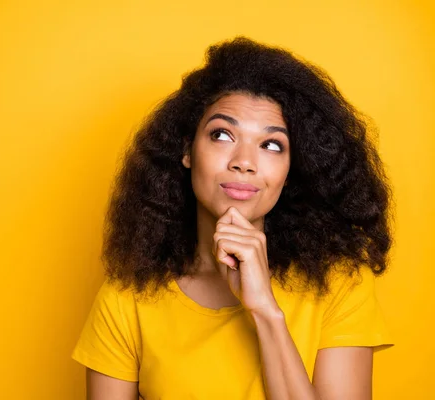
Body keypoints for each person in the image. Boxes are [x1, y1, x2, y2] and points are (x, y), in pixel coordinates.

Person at [71, 36, 395, 399]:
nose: (244, 161)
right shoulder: (128, 296)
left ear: (291, 169)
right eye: (222, 134)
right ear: (187, 151)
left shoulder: (341, 284)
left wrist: (264, 310)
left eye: (272, 145)